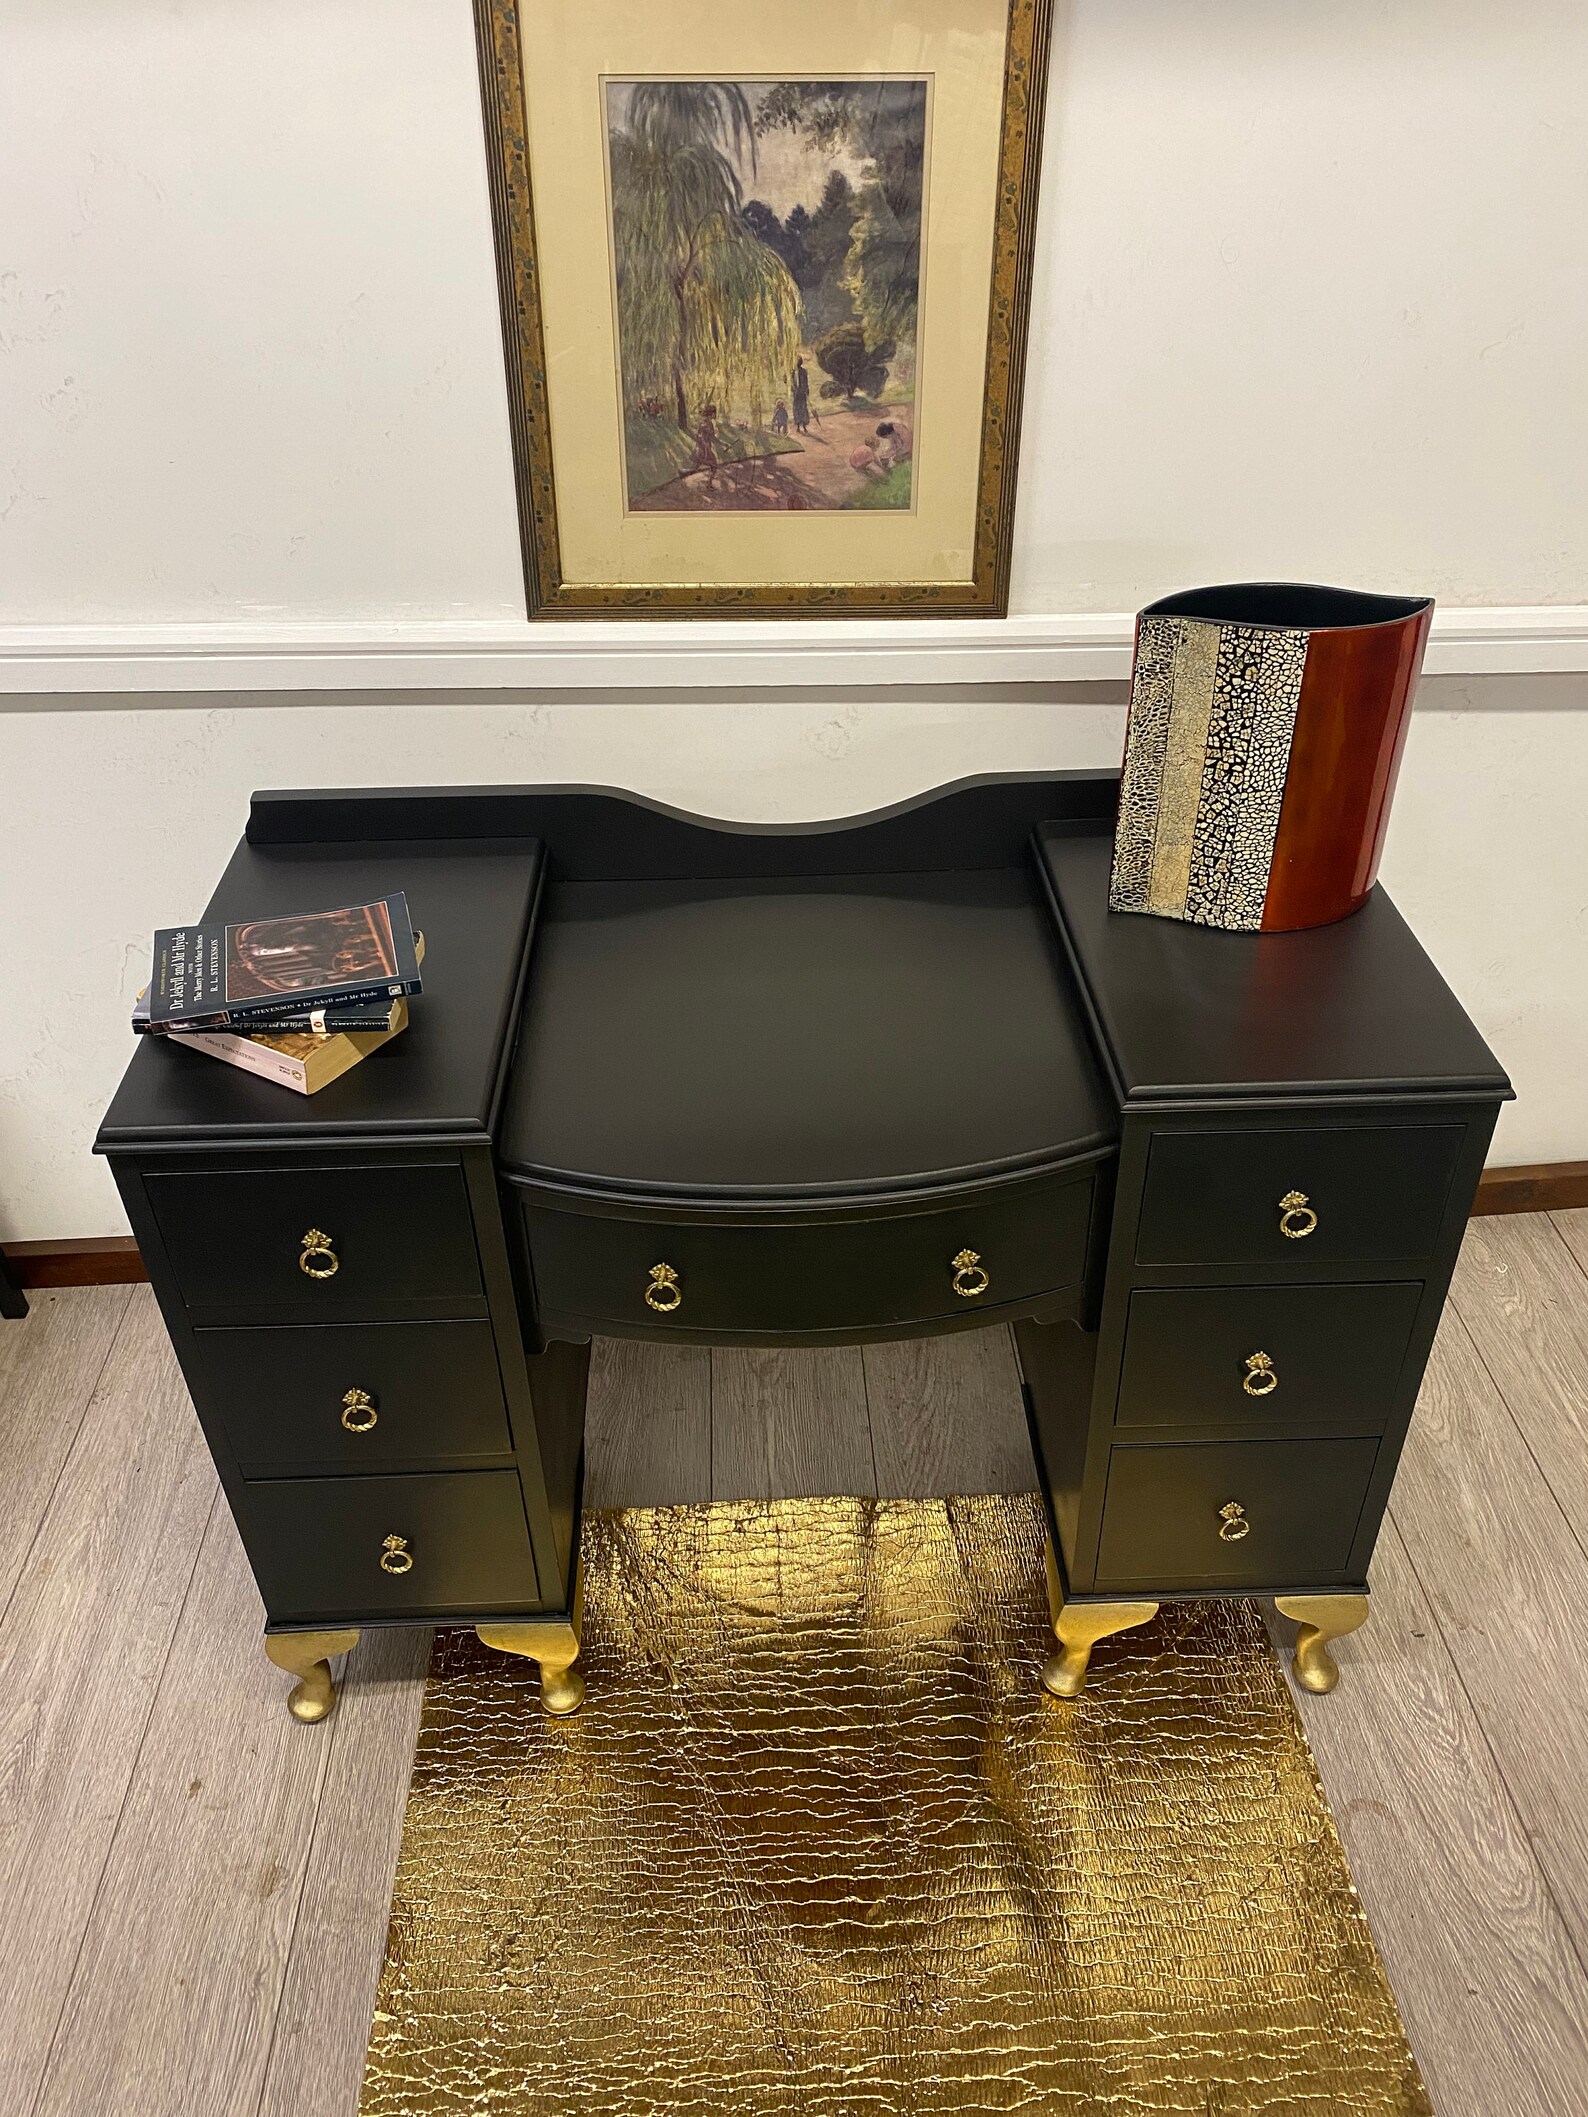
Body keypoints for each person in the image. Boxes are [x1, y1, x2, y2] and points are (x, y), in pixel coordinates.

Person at [690, 404, 719, 485]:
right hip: (704, 450)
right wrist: (706, 447)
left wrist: (724, 444)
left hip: (702, 449)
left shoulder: (706, 423)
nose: (715, 415)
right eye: (715, 413)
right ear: (712, 413)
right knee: (714, 465)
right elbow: (702, 437)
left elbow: (711, 437)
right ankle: (709, 484)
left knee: (695, 467)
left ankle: (682, 473)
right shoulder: (706, 424)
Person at [790, 360, 810, 433]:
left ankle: (804, 426)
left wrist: (807, 390)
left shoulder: (804, 371)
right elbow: (790, 382)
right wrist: (793, 389)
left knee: (803, 408)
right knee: (796, 409)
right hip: (796, 393)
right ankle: (798, 425)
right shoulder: (792, 372)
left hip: (802, 393)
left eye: (798, 362)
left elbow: (806, 381)